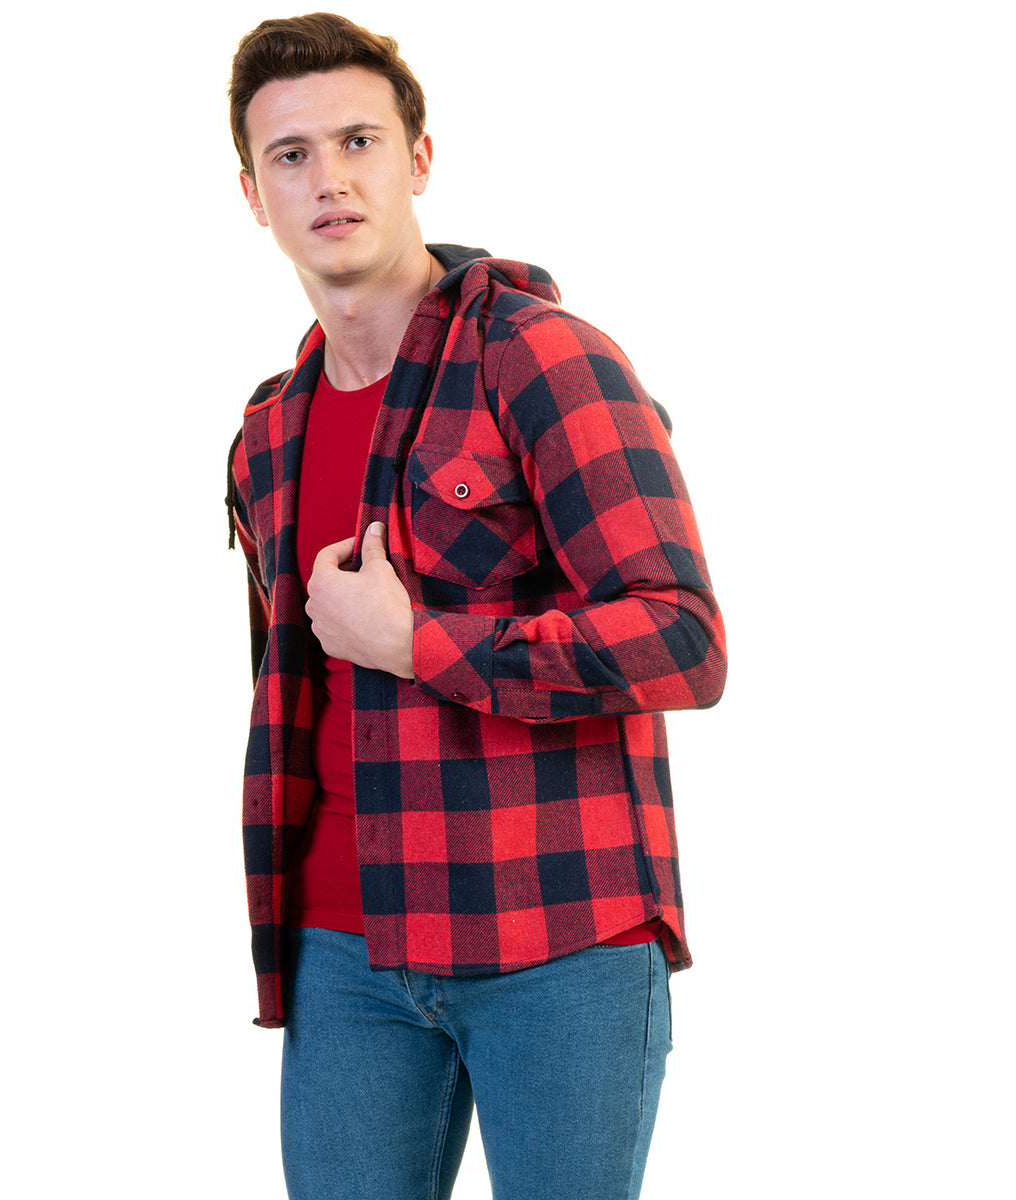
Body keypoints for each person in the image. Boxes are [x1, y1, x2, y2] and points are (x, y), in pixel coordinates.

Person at [225, 14, 726, 1199]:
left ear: (419, 160)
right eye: (292, 155)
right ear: (253, 194)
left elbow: (683, 639)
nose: (329, 178)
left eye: (358, 140)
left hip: (556, 937)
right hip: (343, 949)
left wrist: (422, 644)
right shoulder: (267, 432)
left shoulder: (541, 358)